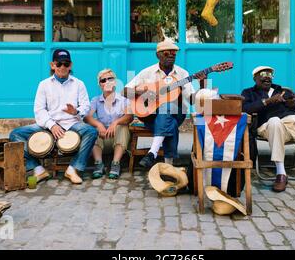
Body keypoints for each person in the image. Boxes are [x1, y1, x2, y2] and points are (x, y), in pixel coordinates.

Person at [9, 49, 98, 184]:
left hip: (72, 124)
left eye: (66, 64)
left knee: (91, 131)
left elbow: (85, 106)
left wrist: (76, 112)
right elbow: (39, 110)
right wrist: (52, 125)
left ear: (71, 65)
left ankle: (73, 169)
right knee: (15, 134)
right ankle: (38, 170)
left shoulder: (79, 84)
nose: (62, 67)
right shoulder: (44, 85)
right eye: (59, 64)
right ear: (52, 65)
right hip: (48, 125)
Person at [123, 39, 207, 169]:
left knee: (167, 108)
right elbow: (124, 91)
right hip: (149, 115)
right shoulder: (147, 72)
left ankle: (152, 153)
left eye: (174, 53)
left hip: (177, 113)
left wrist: (202, 84)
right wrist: (142, 91)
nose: (171, 56)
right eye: (166, 53)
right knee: (169, 121)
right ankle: (169, 167)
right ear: (158, 55)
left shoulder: (182, 74)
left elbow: (191, 100)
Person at [85, 69, 133, 179]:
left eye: (110, 79)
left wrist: (116, 122)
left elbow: (129, 117)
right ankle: (98, 163)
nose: (106, 82)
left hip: (118, 139)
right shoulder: (95, 100)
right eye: (103, 80)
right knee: (91, 129)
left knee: (123, 127)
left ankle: (115, 164)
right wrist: (99, 125)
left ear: (115, 82)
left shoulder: (123, 100)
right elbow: (87, 117)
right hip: (102, 138)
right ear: (100, 85)